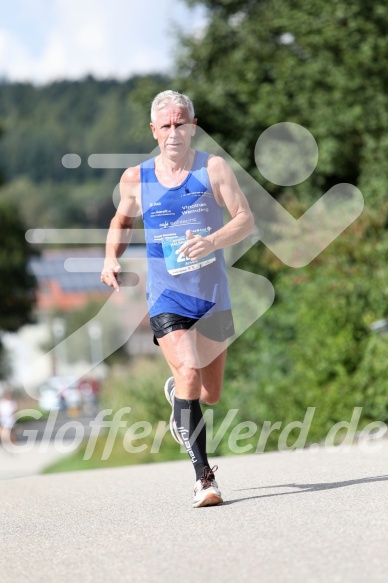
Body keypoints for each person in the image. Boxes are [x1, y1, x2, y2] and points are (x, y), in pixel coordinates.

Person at [101, 90, 254, 507]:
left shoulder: (214, 168)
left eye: (180, 123)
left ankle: (178, 400)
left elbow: (245, 219)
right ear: (154, 130)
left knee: (209, 394)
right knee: (188, 371)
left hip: (212, 296)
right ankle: (204, 479)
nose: (173, 131)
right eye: (165, 125)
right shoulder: (137, 178)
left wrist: (212, 240)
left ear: (193, 125)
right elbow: (121, 220)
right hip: (167, 296)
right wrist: (110, 259)